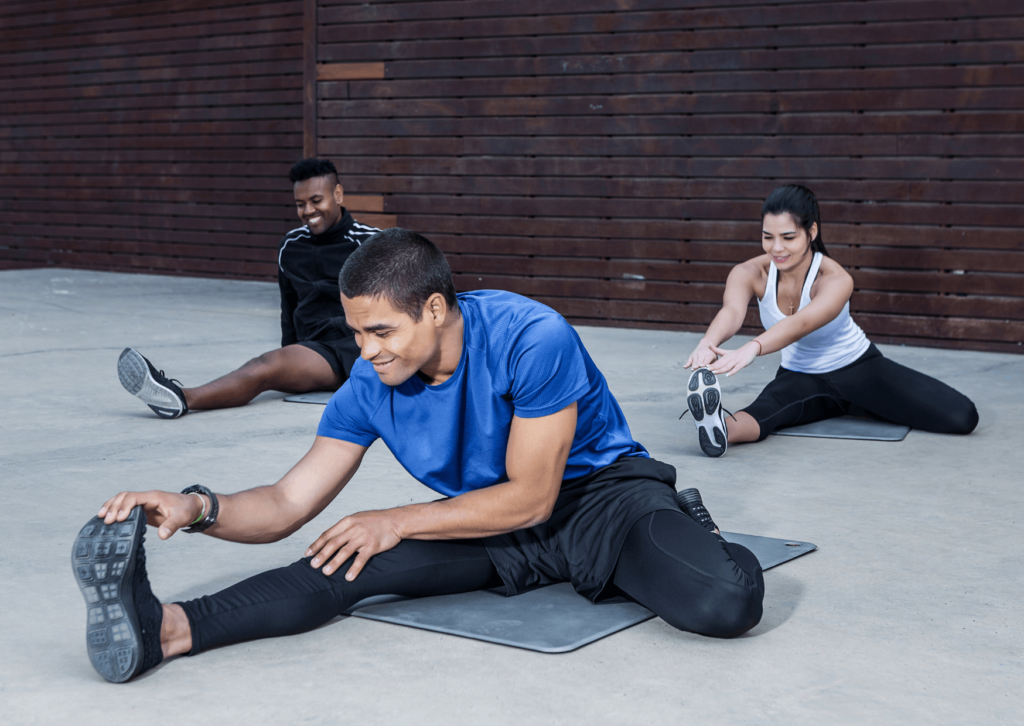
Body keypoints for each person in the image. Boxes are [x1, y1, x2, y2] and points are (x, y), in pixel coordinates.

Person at [73, 229, 765, 683]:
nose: (366, 352)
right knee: (342, 559)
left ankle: (689, 522)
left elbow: (533, 496)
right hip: (484, 522)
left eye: (380, 331)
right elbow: (286, 503)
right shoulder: (369, 386)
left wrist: (398, 518)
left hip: (598, 499)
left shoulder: (532, 336)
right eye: (355, 333)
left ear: (435, 309)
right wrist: (196, 507)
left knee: (725, 601)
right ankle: (166, 629)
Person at [682, 184, 978, 458]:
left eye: (788, 237)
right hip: (801, 375)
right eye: (767, 236)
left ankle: (859, 403)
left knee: (962, 416)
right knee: (767, 412)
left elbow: (801, 323)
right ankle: (718, 427)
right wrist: (709, 342)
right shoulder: (749, 272)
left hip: (859, 368)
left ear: (811, 232)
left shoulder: (835, 278)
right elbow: (732, 311)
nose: (776, 248)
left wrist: (752, 348)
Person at [116, 158, 381, 418]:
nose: (308, 212)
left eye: (316, 201)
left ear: (337, 194)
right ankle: (178, 397)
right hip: (316, 350)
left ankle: (183, 397)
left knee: (266, 367)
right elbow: (288, 309)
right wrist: (287, 356)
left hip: (356, 347)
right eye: (300, 204)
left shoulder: (371, 244)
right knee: (266, 365)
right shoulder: (290, 246)